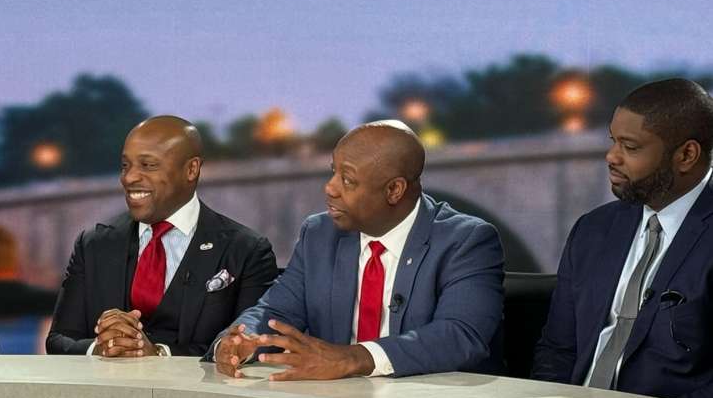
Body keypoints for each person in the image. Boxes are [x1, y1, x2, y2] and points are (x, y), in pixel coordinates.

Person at [212, 120, 503, 379]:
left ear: (394, 190)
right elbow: (275, 311)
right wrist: (242, 339)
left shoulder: (466, 241)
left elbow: (460, 335)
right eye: (333, 173)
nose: (330, 188)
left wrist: (353, 358)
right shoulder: (319, 234)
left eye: (347, 180)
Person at [533, 79, 713, 398]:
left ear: (686, 155)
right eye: (613, 141)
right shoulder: (592, 230)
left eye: (630, 147)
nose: (611, 157)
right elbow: (557, 350)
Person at [46, 115, 277, 357]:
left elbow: (252, 347)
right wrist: (100, 347)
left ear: (191, 169)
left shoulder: (246, 250)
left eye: (148, 165)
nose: (129, 177)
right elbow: (58, 340)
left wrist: (158, 353)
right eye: (125, 165)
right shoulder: (92, 244)